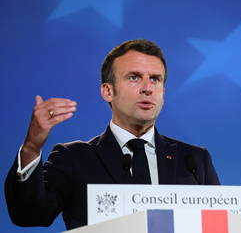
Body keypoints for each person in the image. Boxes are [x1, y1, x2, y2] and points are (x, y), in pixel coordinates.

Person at [4, 39, 220, 230]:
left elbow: (220, 225)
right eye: (134, 77)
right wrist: (32, 147)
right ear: (108, 91)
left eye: (155, 79)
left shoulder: (194, 160)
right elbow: (29, 215)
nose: (147, 88)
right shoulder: (74, 158)